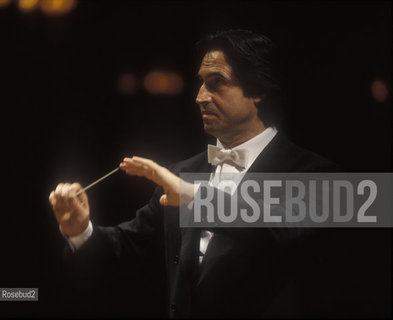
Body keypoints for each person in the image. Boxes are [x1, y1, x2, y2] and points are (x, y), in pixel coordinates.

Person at [49, 29, 337, 317]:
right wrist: (80, 230)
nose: (200, 97)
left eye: (217, 83)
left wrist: (193, 196)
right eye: (201, 83)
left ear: (258, 90)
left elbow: (275, 225)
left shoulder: (314, 172)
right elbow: (128, 249)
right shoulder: (184, 173)